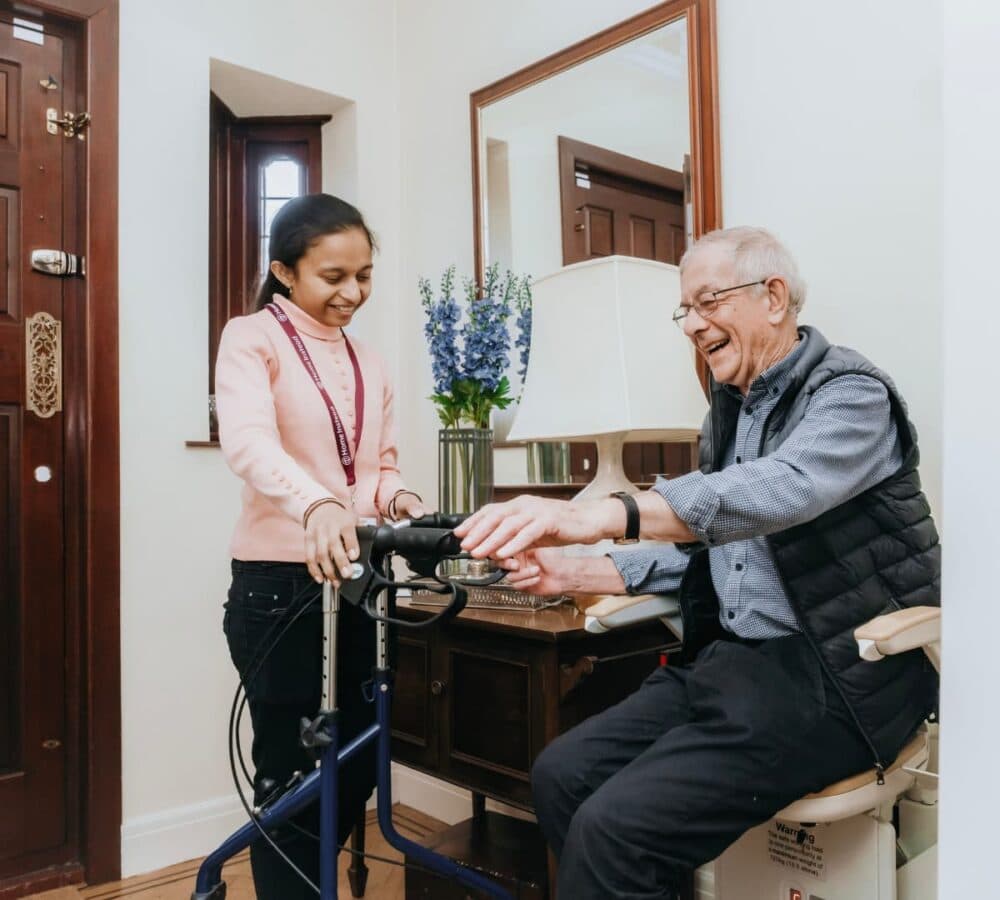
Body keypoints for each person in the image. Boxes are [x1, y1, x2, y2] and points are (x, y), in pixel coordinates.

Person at [455, 226, 940, 899]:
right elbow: (721, 557)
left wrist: (604, 514)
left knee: (615, 832)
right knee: (561, 775)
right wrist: (574, 573)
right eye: (684, 309)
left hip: (836, 680)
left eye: (707, 302)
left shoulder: (851, 396)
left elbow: (781, 490)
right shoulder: (728, 413)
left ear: (774, 297)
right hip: (734, 665)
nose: (691, 324)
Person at [215, 193, 425, 898]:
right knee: (290, 772)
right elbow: (248, 442)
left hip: (359, 583)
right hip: (279, 590)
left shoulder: (370, 360)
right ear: (283, 271)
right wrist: (318, 502)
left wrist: (401, 500)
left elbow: (378, 468)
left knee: (362, 753)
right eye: (333, 277)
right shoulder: (251, 337)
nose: (353, 293)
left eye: (364, 276)